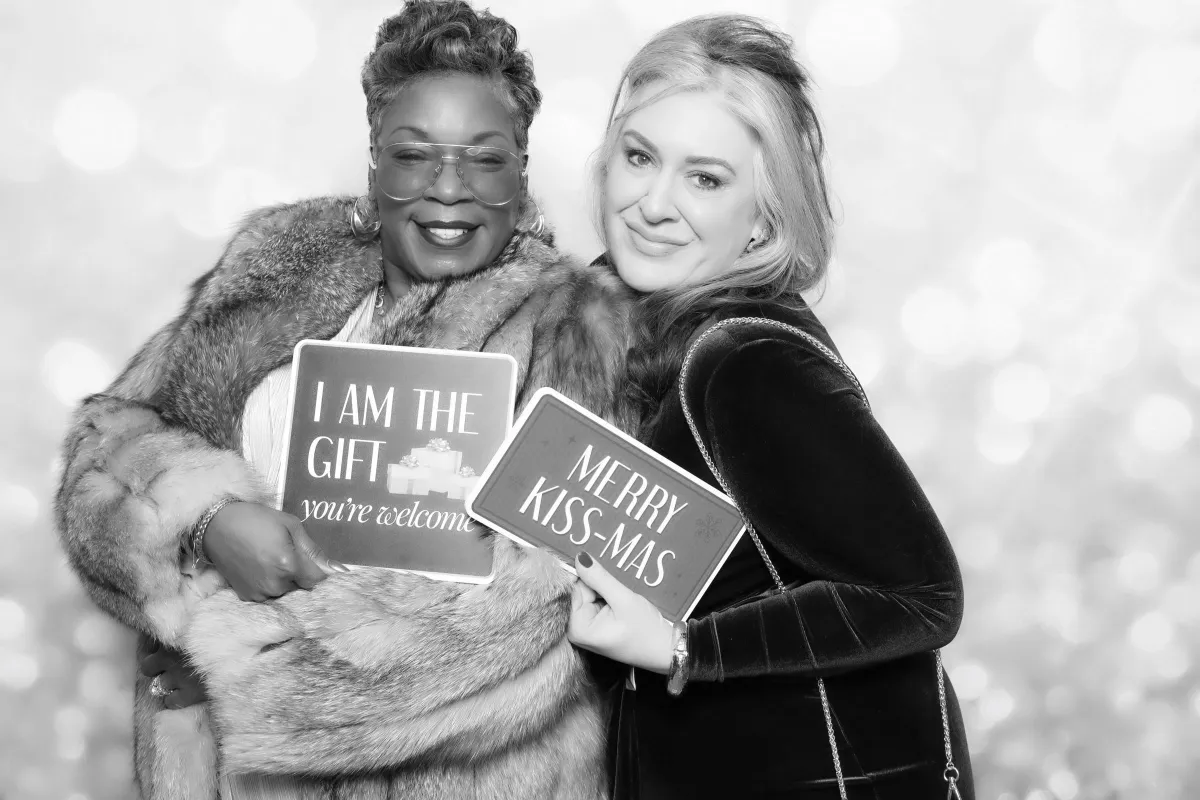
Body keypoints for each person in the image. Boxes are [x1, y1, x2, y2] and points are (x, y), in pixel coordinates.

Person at [55, 2, 627, 798]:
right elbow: (109, 448)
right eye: (415, 155)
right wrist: (210, 520)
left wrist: (226, 649)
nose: (449, 189)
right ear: (374, 161)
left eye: (485, 160)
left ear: (522, 172)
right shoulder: (279, 269)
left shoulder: (575, 329)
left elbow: (538, 611)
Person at [566, 15, 975, 799]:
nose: (652, 203)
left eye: (706, 179)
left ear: (764, 218)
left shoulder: (746, 362)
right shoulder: (639, 333)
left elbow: (920, 595)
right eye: (639, 157)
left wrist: (686, 647)